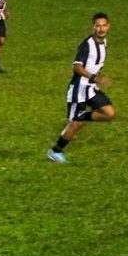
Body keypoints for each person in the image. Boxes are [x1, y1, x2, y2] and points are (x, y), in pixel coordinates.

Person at [47, 13, 115, 164]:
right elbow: (77, 67)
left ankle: (77, 117)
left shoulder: (104, 42)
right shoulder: (87, 45)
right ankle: (55, 151)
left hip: (90, 88)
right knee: (76, 124)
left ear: (108, 26)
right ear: (93, 27)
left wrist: (96, 78)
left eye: (104, 25)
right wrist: (94, 77)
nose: (101, 29)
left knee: (109, 113)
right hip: (79, 89)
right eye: (98, 26)